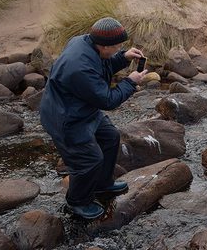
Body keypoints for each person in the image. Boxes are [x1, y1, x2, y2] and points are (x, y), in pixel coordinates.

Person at [39, 17, 147, 220]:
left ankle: (101, 184)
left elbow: (101, 65)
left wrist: (124, 57)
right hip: (65, 118)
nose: (119, 48)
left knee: (110, 137)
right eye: (118, 46)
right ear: (104, 45)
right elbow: (107, 100)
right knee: (88, 161)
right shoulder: (79, 66)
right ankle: (77, 202)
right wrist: (130, 82)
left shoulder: (86, 42)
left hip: (81, 108)